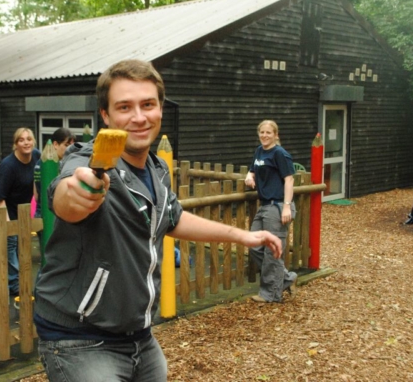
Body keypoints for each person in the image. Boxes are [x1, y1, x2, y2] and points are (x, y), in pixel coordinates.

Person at [33, 59, 282, 382]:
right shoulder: (89, 160)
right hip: (79, 339)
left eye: (147, 104)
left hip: (140, 336)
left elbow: (172, 218)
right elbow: (66, 196)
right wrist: (80, 194)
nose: (139, 117)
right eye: (124, 107)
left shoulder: (155, 169)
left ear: (160, 109)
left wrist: (242, 235)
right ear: (106, 115)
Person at [244, 120, 298, 303]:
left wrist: (286, 206)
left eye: (269, 133)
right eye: (262, 132)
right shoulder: (259, 151)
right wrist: (249, 176)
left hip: (277, 206)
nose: (265, 135)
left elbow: (289, 180)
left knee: (271, 251)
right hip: (265, 205)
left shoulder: (280, 153)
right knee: (253, 245)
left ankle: (270, 295)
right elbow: (253, 169)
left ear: (275, 135)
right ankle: (286, 278)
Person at [0, 127, 40, 297]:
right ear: (16, 145)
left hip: (19, 206)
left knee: (20, 244)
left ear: (33, 141)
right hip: (1, 205)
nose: (26, 143)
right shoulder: (8, 166)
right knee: (11, 242)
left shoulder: (36, 156)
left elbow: (37, 178)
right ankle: (14, 283)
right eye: (21, 140)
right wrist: (7, 225)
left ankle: (11, 278)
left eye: (28, 139)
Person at [33, 127, 77, 221]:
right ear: (55, 144)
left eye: (72, 146)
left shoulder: (39, 163)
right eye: (66, 145)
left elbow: (36, 195)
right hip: (51, 215)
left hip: (40, 212)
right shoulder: (54, 165)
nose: (70, 149)